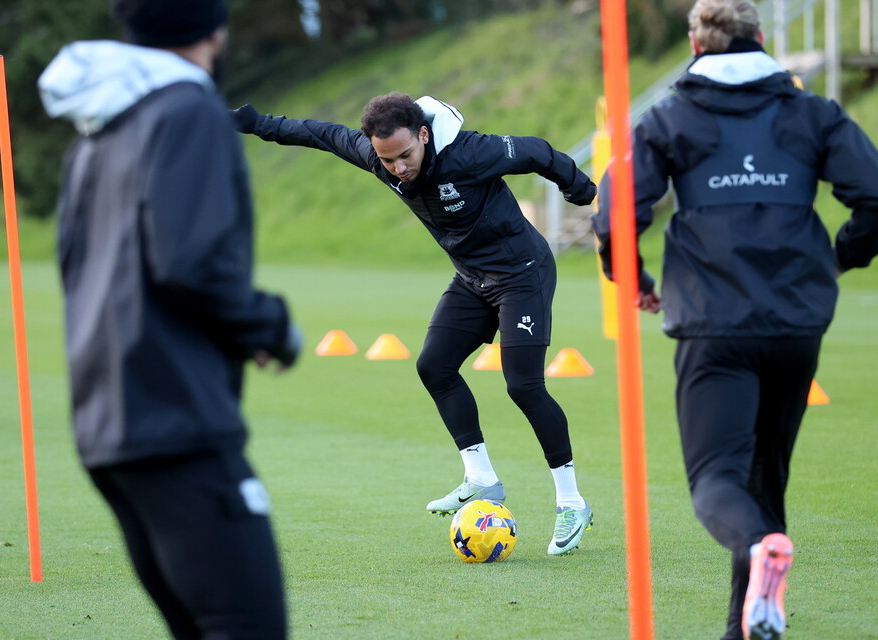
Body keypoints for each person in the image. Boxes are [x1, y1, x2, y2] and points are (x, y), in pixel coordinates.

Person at [593, 0, 878, 637]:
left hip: (716, 327)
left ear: (695, 44)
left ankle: (761, 555)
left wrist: (634, 278)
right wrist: (840, 259)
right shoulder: (812, 111)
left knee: (715, 481)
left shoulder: (671, 116)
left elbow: (616, 212)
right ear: (762, 39)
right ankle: (746, 623)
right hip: (795, 325)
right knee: (764, 483)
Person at [231, 93, 597, 554]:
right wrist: (255, 121)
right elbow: (318, 134)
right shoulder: (376, 155)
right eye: (388, 160)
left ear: (424, 135)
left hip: (522, 273)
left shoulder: (470, 153)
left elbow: (538, 152)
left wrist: (579, 189)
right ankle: (481, 478)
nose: (399, 168)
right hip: (472, 278)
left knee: (523, 385)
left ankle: (572, 503)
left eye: (406, 155)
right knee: (434, 366)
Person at [38, 1, 302, 637]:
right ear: (215, 28)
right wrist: (265, 325)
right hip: (176, 417)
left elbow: (77, 266)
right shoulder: (189, 109)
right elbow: (190, 262)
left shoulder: (98, 131)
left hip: (111, 424)